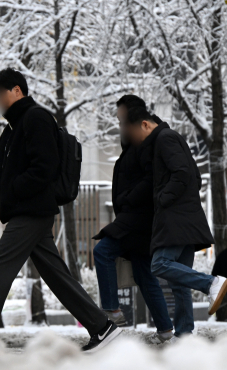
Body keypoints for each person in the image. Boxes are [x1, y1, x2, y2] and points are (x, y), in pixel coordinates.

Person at [0, 68, 120, 353]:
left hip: (32, 211)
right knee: (56, 276)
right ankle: (102, 326)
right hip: (27, 210)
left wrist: (15, 188)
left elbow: (44, 167)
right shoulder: (13, 128)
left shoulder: (35, 119)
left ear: (16, 90)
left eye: (0, 94)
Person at [113, 95, 227, 337]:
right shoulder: (169, 138)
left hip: (175, 219)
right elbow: (194, 177)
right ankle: (184, 335)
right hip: (184, 219)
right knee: (179, 283)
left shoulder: (164, 139)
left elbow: (183, 174)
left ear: (145, 124)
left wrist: (162, 200)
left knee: (160, 264)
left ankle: (211, 283)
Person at [92, 97, 174, 343]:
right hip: (135, 216)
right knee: (143, 275)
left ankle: (111, 310)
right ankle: (166, 330)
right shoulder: (135, 143)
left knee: (103, 250)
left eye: (122, 119)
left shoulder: (145, 143)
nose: (120, 125)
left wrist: (128, 198)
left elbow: (151, 179)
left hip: (138, 217)